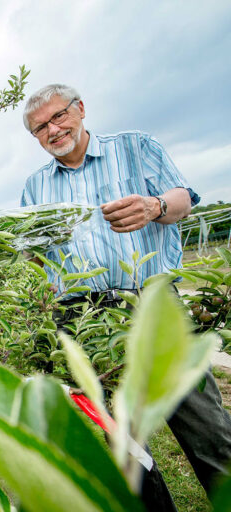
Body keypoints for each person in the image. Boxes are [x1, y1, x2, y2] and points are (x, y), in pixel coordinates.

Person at [20, 84, 231, 511]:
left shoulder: (135, 147)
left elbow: (182, 198)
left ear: (80, 109)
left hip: (152, 303)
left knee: (205, 426)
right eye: (40, 128)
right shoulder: (35, 187)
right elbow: (34, 256)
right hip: (84, 318)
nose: (53, 130)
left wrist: (154, 206)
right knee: (126, 442)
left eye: (58, 116)